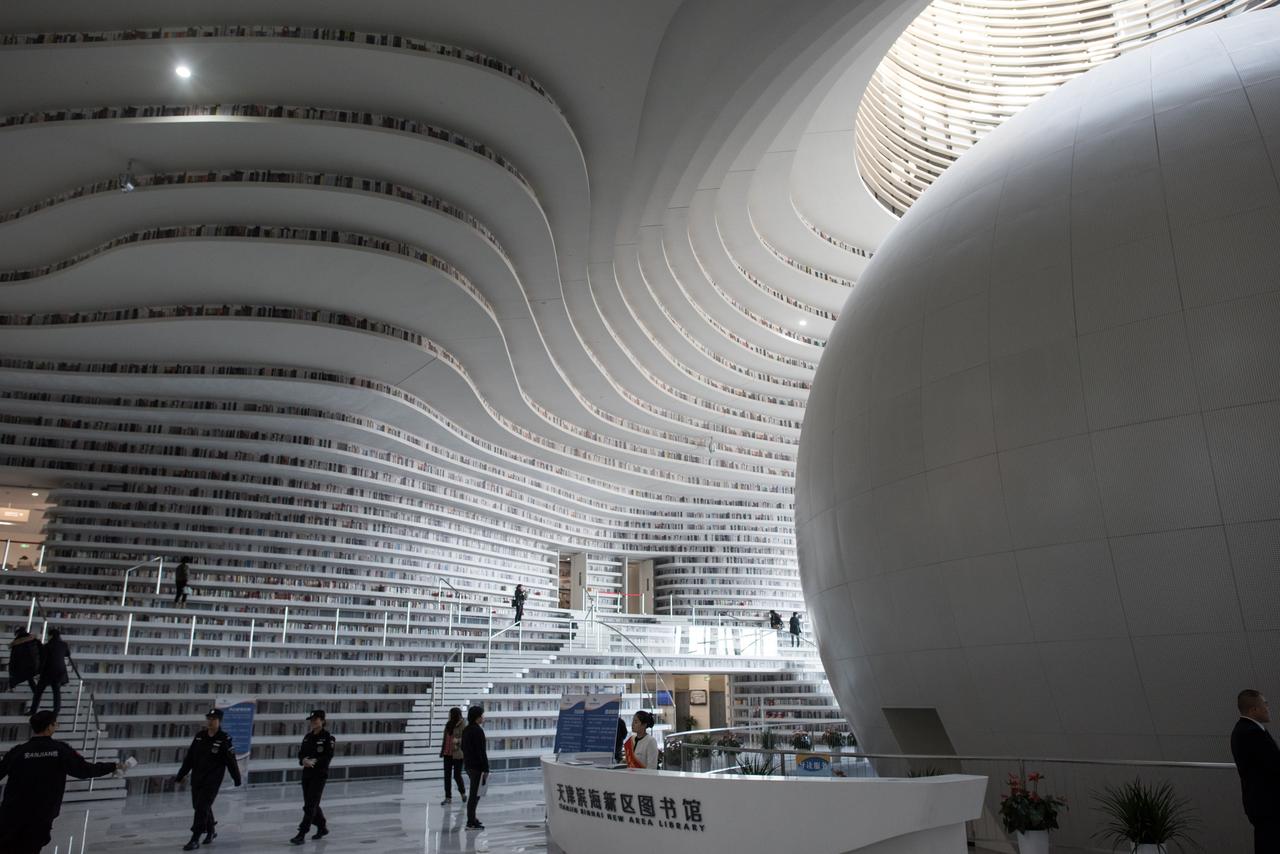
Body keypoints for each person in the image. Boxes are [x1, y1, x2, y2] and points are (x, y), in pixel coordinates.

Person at [0, 711, 123, 854]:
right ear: (49, 727)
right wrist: (112, 766)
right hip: (42, 813)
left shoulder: (18, 751)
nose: (56, 726)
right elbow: (84, 770)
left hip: (12, 812)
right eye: (55, 723)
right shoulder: (60, 750)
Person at [175, 708, 242, 850]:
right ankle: (211, 830)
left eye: (214, 719)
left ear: (220, 721)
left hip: (212, 780)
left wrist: (237, 778)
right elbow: (190, 758)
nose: (211, 721)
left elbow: (231, 760)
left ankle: (195, 838)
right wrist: (181, 775)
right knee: (199, 806)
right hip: (197, 778)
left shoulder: (224, 738)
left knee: (201, 807)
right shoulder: (200, 736)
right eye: (209, 719)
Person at [1232, 689, 1280, 853]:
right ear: (1254, 710)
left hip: (1261, 804)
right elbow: (1273, 765)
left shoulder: (1243, 730)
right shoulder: (1251, 733)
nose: (1268, 708)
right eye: (1265, 704)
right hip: (1268, 805)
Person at [290, 709, 336, 844]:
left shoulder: (328, 738)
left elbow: (328, 757)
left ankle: (302, 833)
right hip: (307, 774)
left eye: (316, 720)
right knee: (310, 805)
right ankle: (322, 827)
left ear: (322, 721)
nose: (313, 722)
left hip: (319, 775)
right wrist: (303, 760)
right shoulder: (307, 737)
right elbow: (301, 754)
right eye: (311, 720)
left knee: (310, 805)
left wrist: (314, 762)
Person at [460, 705, 489, 830]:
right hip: (477, 767)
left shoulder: (466, 729)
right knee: (474, 795)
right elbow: (481, 752)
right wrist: (486, 768)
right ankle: (471, 821)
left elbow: (463, 747)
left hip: (468, 765)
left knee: (474, 794)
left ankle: (472, 818)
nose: (483, 717)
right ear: (477, 717)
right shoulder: (478, 731)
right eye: (482, 715)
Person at [29, 628, 69, 715]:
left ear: (50, 636)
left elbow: (43, 660)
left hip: (48, 672)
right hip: (60, 671)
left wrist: (39, 672)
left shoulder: (47, 646)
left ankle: (33, 710)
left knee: (38, 692)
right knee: (56, 692)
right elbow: (67, 654)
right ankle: (56, 710)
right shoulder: (64, 645)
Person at [439, 706, 466, 806]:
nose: (449, 716)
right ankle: (448, 797)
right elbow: (445, 739)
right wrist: (442, 751)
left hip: (458, 754)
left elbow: (466, 739)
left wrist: (458, 740)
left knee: (457, 775)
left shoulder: (463, 724)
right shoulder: (448, 724)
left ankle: (463, 793)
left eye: (450, 714)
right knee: (447, 776)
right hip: (447, 753)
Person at [8, 627, 41, 698]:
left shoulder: (16, 643)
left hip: (23, 666)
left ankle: (12, 686)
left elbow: (13, 658)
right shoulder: (34, 639)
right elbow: (42, 650)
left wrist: (11, 669)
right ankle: (37, 694)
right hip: (35, 664)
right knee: (30, 677)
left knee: (24, 677)